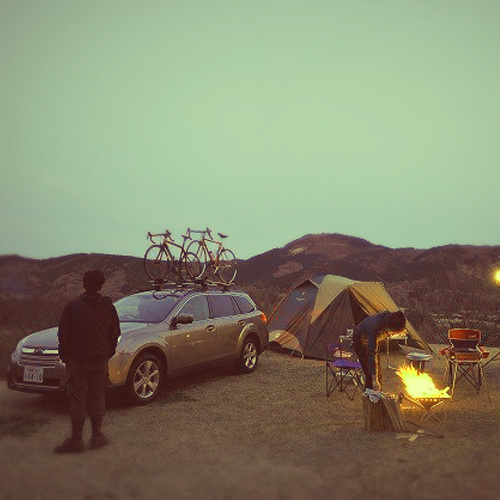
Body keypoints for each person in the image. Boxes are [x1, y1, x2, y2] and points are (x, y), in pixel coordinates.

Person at [54, 270, 121, 453]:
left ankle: (76, 440)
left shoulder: (72, 306)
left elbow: (63, 335)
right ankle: (97, 436)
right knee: (97, 396)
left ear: (84, 284)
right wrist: (107, 352)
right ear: (101, 285)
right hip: (100, 360)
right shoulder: (108, 307)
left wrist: (66, 357)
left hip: (77, 360)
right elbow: (115, 332)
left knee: (78, 398)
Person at [352, 310, 406, 391]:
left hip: (371, 338)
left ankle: (377, 390)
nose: (392, 333)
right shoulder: (374, 327)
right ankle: (370, 392)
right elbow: (371, 352)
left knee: (377, 367)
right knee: (369, 369)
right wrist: (374, 379)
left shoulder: (387, 318)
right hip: (359, 339)